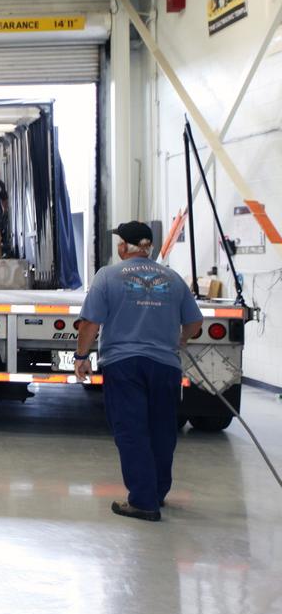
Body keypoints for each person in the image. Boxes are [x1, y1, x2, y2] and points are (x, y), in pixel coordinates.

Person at [73, 221, 203, 522]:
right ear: (149, 248)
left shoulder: (107, 276)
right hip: (166, 366)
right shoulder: (172, 278)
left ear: (123, 247)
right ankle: (157, 494)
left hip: (123, 364)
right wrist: (181, 339)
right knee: (161, 430)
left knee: (132, 431)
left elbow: (90, 322)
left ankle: (143, 502)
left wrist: (81, 356)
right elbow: (195, 323)